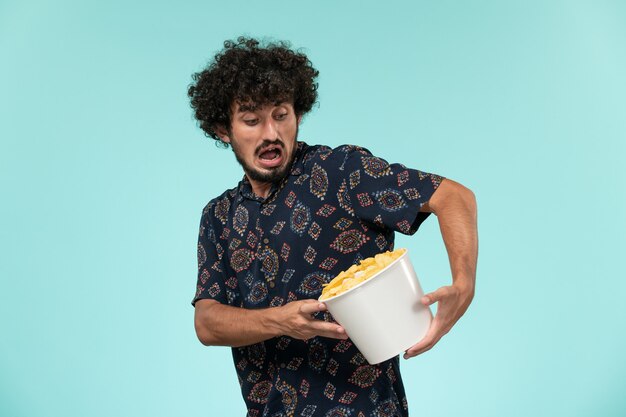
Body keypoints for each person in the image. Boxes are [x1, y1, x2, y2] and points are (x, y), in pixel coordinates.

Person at [188, 36, 478, 417]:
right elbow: (208, 322)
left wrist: (464, 285)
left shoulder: (340, 172)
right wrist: (281, 321)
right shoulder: (219, 216)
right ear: (223, 129)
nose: (270, 134)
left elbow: (452, 196)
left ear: (299, 113)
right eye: (251, 121)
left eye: (281, 114)